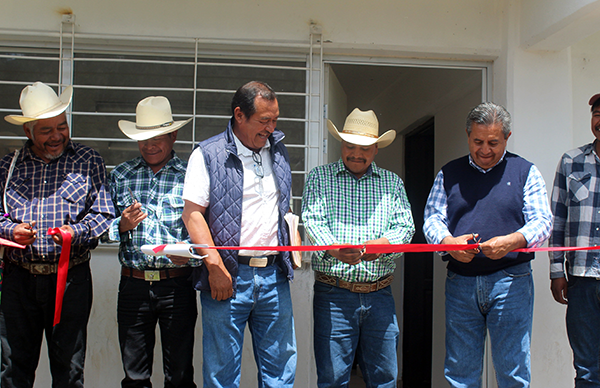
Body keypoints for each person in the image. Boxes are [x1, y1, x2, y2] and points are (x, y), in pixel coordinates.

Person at [423, 102, 552, 388]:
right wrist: (448, 242)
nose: (485, 150)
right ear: (468, 136)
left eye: (493, 142)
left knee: (513, 370)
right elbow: (432, 218)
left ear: (507, 137)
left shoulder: (525, 172)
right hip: (460, 282)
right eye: (477, 141)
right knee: (461, 371)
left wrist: (512, 241)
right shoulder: (449, 173)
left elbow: (543, 221)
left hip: (511, 281)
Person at [181, 81, 296, 387]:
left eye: (275, 120)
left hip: (274, 276)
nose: (271, 127)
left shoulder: (279, 150)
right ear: (239, 115)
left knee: (281, 371)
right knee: (222, 374)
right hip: (229, 276)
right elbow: (192, 214)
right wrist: (215, 265)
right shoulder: (207, 154)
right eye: (263, 120)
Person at [0, 81, 114, 388]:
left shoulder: (88, 160)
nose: (57, 136)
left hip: (71, 279)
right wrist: (10, 229)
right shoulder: (8, 166)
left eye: (61, 126)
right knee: (13, 369)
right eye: (47, 130)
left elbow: (103, 213)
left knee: (69, 369)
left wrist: (73, 233)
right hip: (18, 280)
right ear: (28, 132)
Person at [302, 108, 415, 387]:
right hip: (334, 293)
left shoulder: (392, 183)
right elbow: (312, 221)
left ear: (376, 149)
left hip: (380, 293)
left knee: (385, 378)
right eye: (350, 146)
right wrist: (333, 249)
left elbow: (405, 228)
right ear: (341, 145)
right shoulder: (319, 177)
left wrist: (380, 246)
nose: (356, 153)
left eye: (364, 148)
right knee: (332, 379)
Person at [107, 96, 199, 388]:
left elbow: (204, 228)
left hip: (177, 285)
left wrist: (191, 253)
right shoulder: (121, 174)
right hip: (133, 285)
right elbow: (101, 224)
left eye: (157, 138)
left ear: (173, 135)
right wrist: (122, 225)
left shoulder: (192, 175)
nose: (150, 146)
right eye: (143, 139)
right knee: (134, 376)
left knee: (180, 374)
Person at [549, 93, 600, 387]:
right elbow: (557, 221)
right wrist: (557, 272)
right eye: (597, 113)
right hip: (581, 281)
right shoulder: (572, 161)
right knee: (587, 369)